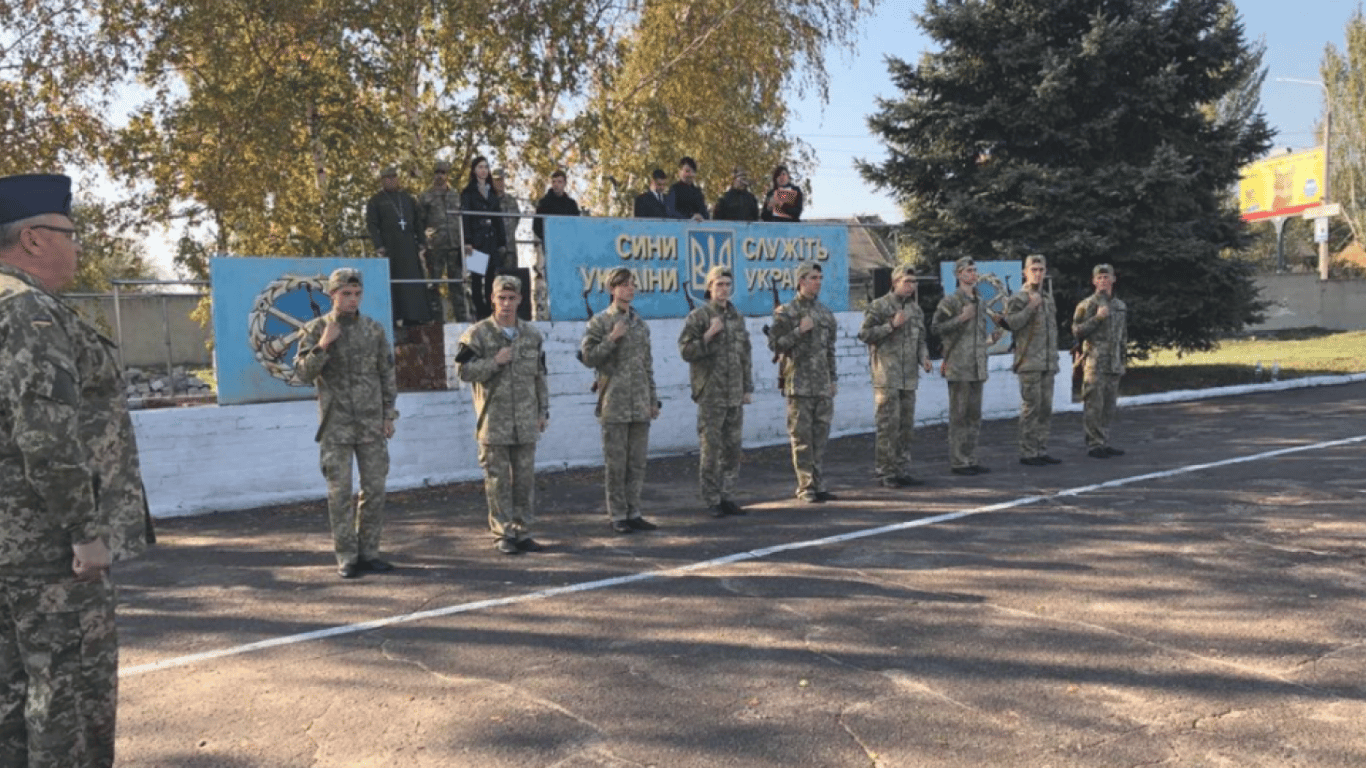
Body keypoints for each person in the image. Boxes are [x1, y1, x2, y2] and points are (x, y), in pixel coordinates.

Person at [1, 173, 151, 768]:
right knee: (69, 702)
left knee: (14, 701)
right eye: (71, 232)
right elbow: (46, 438)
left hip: (12, 546)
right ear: (34, 239)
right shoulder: (30, 313)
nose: (79, 245)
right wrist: (84, 532)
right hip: (47, 550)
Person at [293, 268, 399, 579]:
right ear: (332, 295)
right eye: (345, 294)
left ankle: (369, 552)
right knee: (339, 494)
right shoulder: (315, 330)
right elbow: (302, 374)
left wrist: (388, 415)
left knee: (374, 489)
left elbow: (386, 376)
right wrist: (323, 346)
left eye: (356, 294)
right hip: (336, 426)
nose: (351, 299)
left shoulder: (374, 330)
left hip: (370, 425)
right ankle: (346, 556)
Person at [456, 275, 550, 554]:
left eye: (511, 298)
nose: (506, 304)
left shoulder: (532, 335)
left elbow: (540, 377)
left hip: (525, 421)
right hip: (494, 421)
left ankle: (522, 531)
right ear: (492, 300)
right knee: (497, 481)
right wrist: (493, 362)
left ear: (520, 299)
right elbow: (463, 372)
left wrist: (542, 411)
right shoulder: (477, 335)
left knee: (524, 480)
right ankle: (502, 533)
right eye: (501, 298)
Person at [579, 268, 660, 534]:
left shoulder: (641, 324)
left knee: (637, 462)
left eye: (632, 284)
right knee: (616, 464)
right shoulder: (600, 322)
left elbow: (647, 365)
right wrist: (612, 339)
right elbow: (588, 357)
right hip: (613, 402)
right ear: (612, 289)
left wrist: (652, 399)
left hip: (638, 403)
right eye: (623, 285)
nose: (629, 289)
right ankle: (618, 514)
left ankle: (634, 511)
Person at [678, 266, 754, 517]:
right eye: (718, 284)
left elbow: (745, 354)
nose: (723, 289)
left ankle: (728, 496)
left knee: (732, 449)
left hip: (733, 392)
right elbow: (686, 352)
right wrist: (709, 335)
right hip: (711, 392)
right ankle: (711, 498)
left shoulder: (737, 317)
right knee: (711, 449)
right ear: (709, 287)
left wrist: (746, 387)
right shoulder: (698, 317)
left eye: (727, 285)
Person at [768, 262, 838, 503]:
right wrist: (799, 331)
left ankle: (818, 483)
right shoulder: (786, 312)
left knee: (820, 436)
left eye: (820, 277)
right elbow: (775, 345)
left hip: (821, 384)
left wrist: (833, 379)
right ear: (801, 281)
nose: (818, 281)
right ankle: (805, 485)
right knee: (801, 438)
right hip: (798, 384)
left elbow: (830, 350)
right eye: (812, 277)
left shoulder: (825, 313)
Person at [858, 264, 933, 487]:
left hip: (909, 376)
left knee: (905, 426)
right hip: (887, 376)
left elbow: (920, 339)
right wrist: (891, 325)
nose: (911, 286)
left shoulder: (915, 310)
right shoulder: (879, 306)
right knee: (888, 426)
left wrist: (924, 358)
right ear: (895, 282)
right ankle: (885, 471)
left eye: (914, 282)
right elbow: (865, 334)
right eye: (906, 282)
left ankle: (901, 468)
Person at [932, 256, 1001, 476]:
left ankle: (971, 458)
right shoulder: (951, 301)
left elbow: (976, 336)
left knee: (974, 416)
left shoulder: (980, 301)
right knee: (959, 416)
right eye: (969, 270)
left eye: (975, 270)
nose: (973, 274)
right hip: (959, 366)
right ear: (959, 274)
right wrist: (960, 319)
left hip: (977, 366)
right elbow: (936, 328)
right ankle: (959, 461)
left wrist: (991, 340)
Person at [1004, 254, 1061, 466]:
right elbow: (1011, 324)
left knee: (1045, 408)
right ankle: (1028, 452)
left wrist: (1053, 359)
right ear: (1025, 273)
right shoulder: (1018, 298)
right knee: (1031, 409)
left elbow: (1051, 331)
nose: (1037, 273)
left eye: (1041, 270)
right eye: (1033, 269)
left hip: (1047, 362)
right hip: (1029, 362)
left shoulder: (1047, 298)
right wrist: (1029, 308)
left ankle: (1041, 448)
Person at [365, 166, 432, 328]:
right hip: (390, 246)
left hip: (409, 244)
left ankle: (415, 316)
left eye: (393, 176)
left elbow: (417, 222)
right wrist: (379, 245)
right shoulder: (376, 201)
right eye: (387, 177)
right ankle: (394, 317)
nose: (391, 180)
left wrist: (422, 241)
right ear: (382, 181)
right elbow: (372, 225)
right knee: (393, 282)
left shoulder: (407, 199)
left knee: (413, 280)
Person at [1072, 263, 1128, 459]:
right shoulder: (1086, 305)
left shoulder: (1120, 306)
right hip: (1095, 363)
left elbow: (1123, 336)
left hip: (1113, 362)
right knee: (1094, 405)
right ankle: (1094, 443)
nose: (1103, 281)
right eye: (1099, 278)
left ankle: (1104, 440)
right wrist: (1097, 318)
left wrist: (1123, 360)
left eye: (1107, 277)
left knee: (1109, 406)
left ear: (1113, 279)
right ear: (1094, 281)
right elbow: (1077, 331)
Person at [418, 160, 468, 322]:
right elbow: (419, 222)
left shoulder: (456, 195)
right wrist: (423, 243)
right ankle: (437, 320)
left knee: (458, 284)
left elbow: (464, 220)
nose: (440, 175)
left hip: (455, 245)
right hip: (435, 246)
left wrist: (465, 242)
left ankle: (462, 318)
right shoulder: (426, 196)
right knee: (434, 284)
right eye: (437, 172)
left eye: (443, 173)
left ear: (447, 176)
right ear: (433, 175)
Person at [460, 156, 508, 319]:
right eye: (480, 167)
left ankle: (490, 309)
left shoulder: (492, 192)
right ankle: (478, 310)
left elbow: (498, 218)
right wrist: (467, 241)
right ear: (474, 170)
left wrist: (502, 241)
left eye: (486, 167)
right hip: (476, 241)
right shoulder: (468, 193)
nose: (483, 170)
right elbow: (465, 218)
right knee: (476, 278)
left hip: (492, 240)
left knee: (491, 277)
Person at [532, 169, 581, 243]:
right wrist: (547, 238)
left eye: (559, 182)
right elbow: (536, 226)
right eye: (554, 181)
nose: (556, 184)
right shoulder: (544, 203)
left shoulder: (571, 204)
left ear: (564, 183)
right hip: (549, 243)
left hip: (567, 243)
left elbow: (576, 225)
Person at [665, 156, 709, 221]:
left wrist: (701, 217)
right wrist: (690, 218)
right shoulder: (674, 189)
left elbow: (705, 214)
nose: (689, 174)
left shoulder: (697, 192)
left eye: (692, 172)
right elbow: (671, 212)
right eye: (687, 171)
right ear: (680, 172)